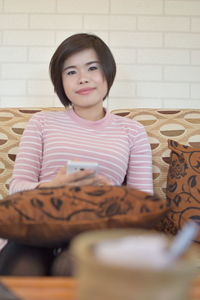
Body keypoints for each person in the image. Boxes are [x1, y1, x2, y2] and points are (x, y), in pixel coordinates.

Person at [0, 33, 153, 276]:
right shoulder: (41, 122)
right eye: (71, 72)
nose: (83, 79)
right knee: (22, 269)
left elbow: (145, 204)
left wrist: (111, 194)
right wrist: (52, 186)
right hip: (37, 226)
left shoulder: (132, 131)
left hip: (97, 231)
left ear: (107, 73)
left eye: (92, 68)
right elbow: (16, 188)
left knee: (73, 267)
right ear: (60, 81)